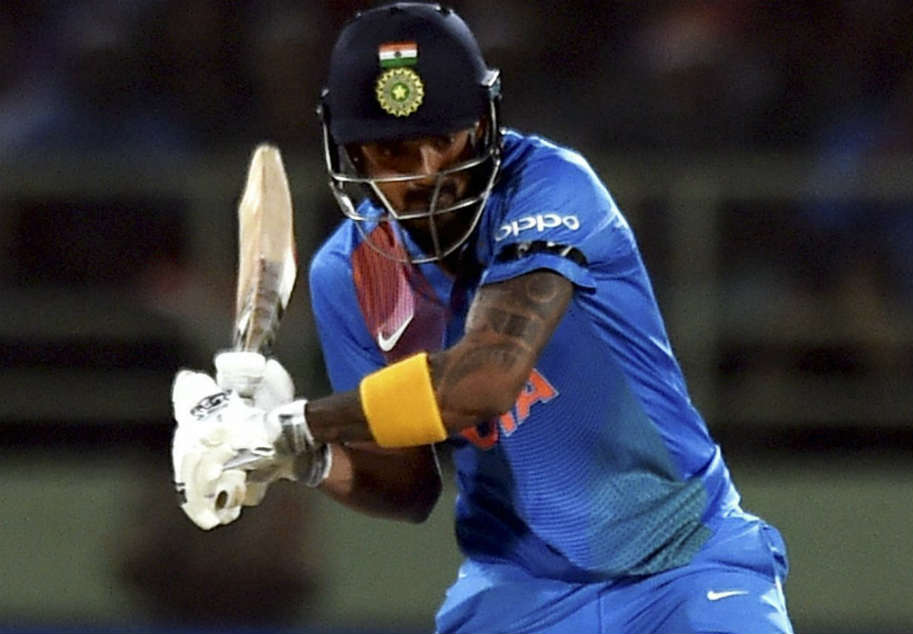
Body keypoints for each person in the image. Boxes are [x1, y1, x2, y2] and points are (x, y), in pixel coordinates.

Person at [170, 3, 795, 632]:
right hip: (517, 592)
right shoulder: (349, 274)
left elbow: (484, 382)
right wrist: (299, 459)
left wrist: (294, 423)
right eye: (393, 151)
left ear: (485, 125)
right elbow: (408, 485)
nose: (427, 173)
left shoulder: (549, 186)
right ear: (353, 153)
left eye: (444, 139)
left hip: (685, 562)